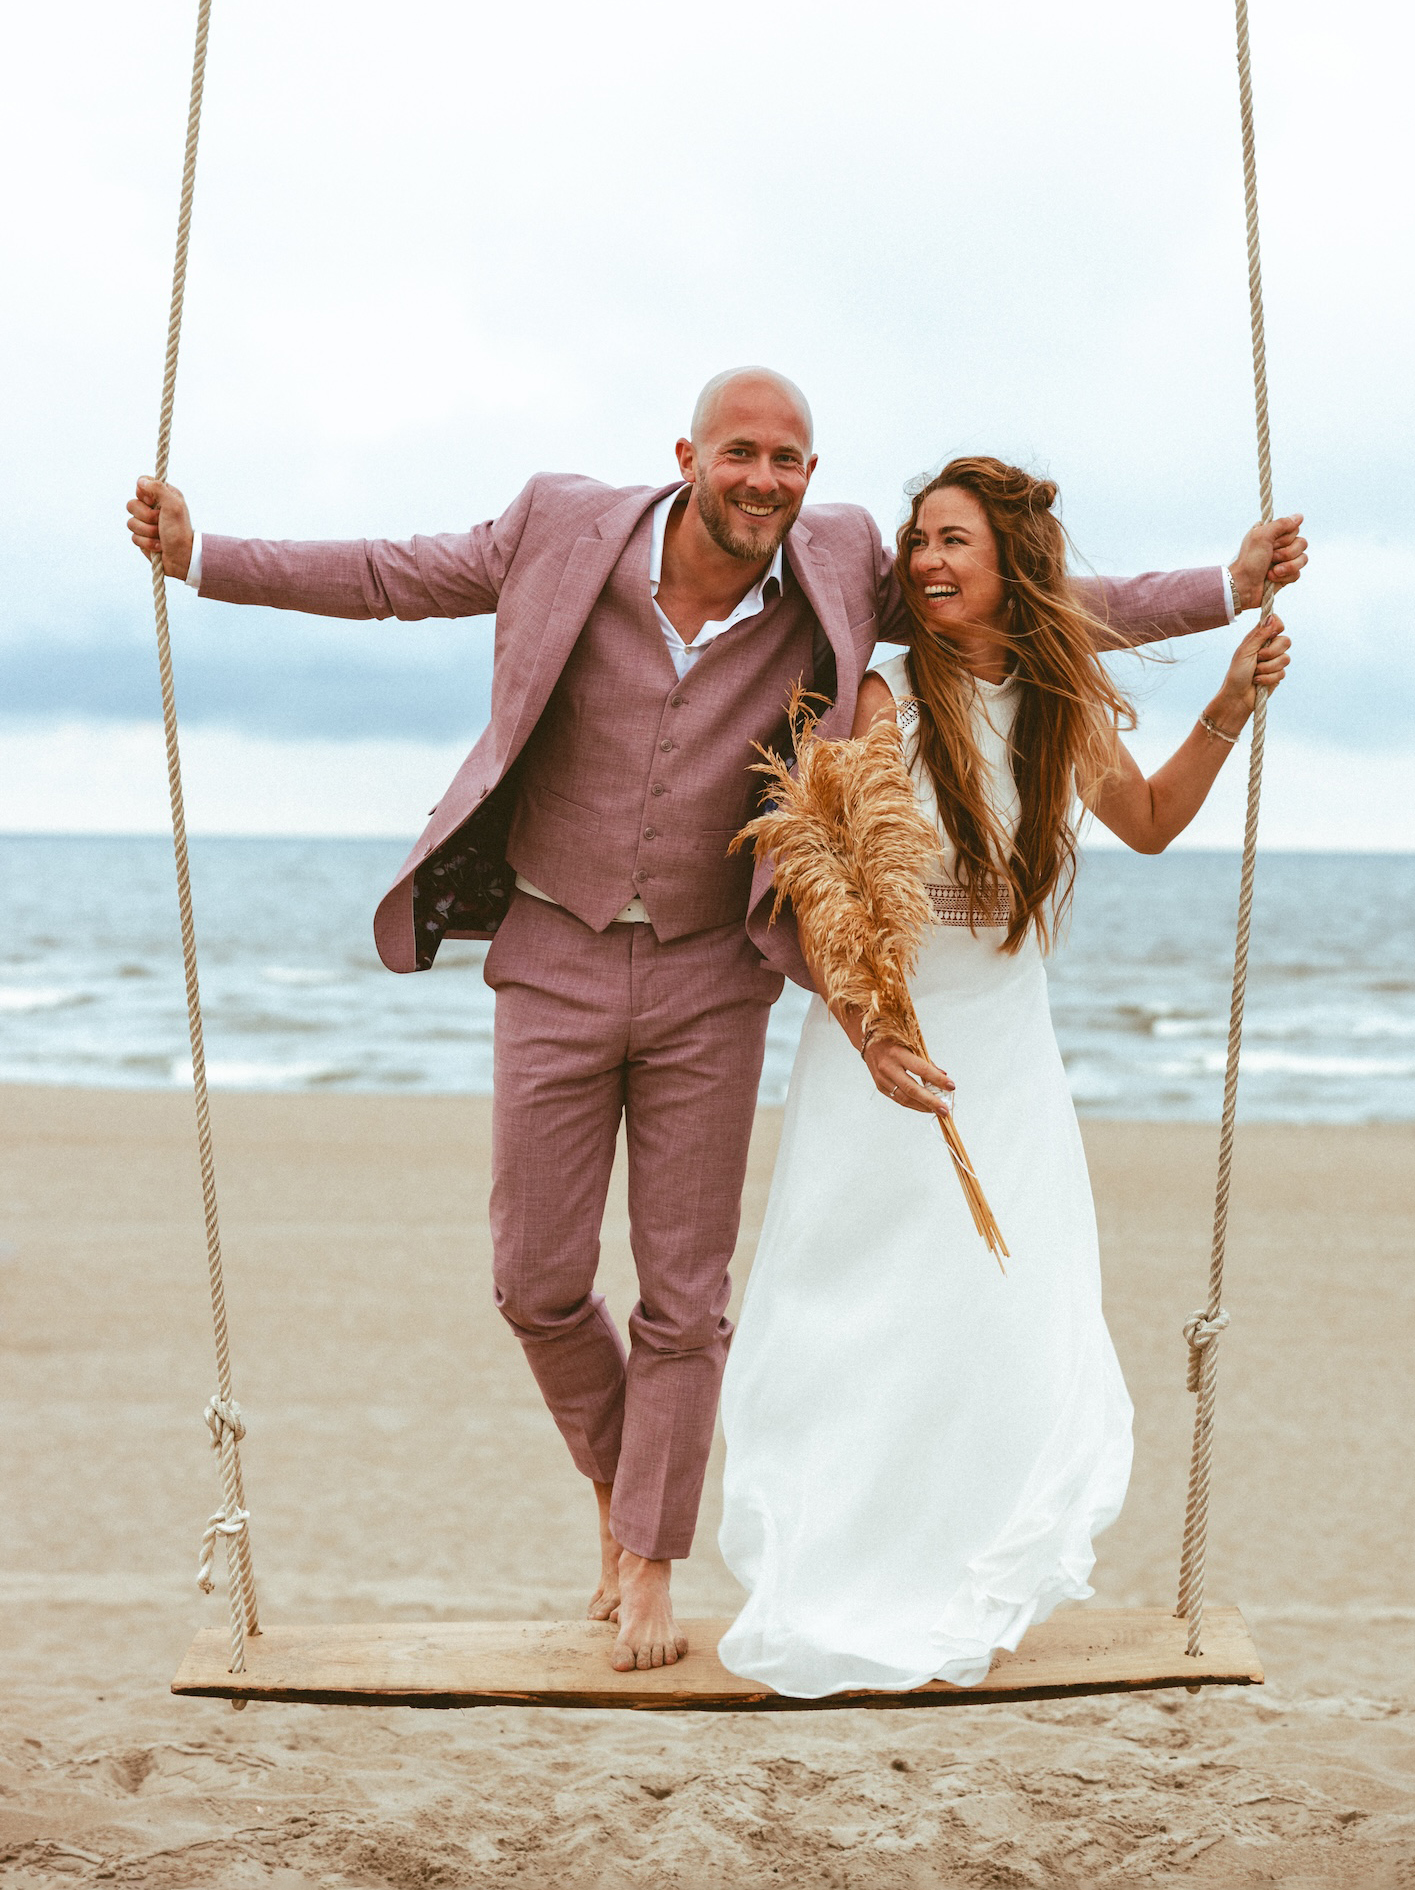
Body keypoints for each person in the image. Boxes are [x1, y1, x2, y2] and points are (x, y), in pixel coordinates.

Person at [125, 375, 1307, 1673]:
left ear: (813, 473)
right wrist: (205, 558)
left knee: (686, 1301)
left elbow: (1051, 608)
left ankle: (648, 1561)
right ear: (685, 453)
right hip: (552, 948)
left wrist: (1227, 586)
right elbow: (393, 574)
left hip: (713, 970)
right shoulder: (560, 527)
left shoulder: (845, 559)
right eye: (740, 452)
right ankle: (623, 1483)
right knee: (535, 1281)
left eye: (789, 458)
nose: (764, 478)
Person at [717, 455, 1293, 1698]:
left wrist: (1231, 707)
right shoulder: (879, 698)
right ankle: (840, 1561)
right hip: (888, 1033)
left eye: (953, 542)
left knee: (1002, 1309)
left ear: (1011, 563)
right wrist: (871, 1032)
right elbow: (826, 877)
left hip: (1008, 1041)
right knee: (857, 1302)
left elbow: (1144, 821)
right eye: (918, 541)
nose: (925, 562)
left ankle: (973, 1563)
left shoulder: (1055, 701)